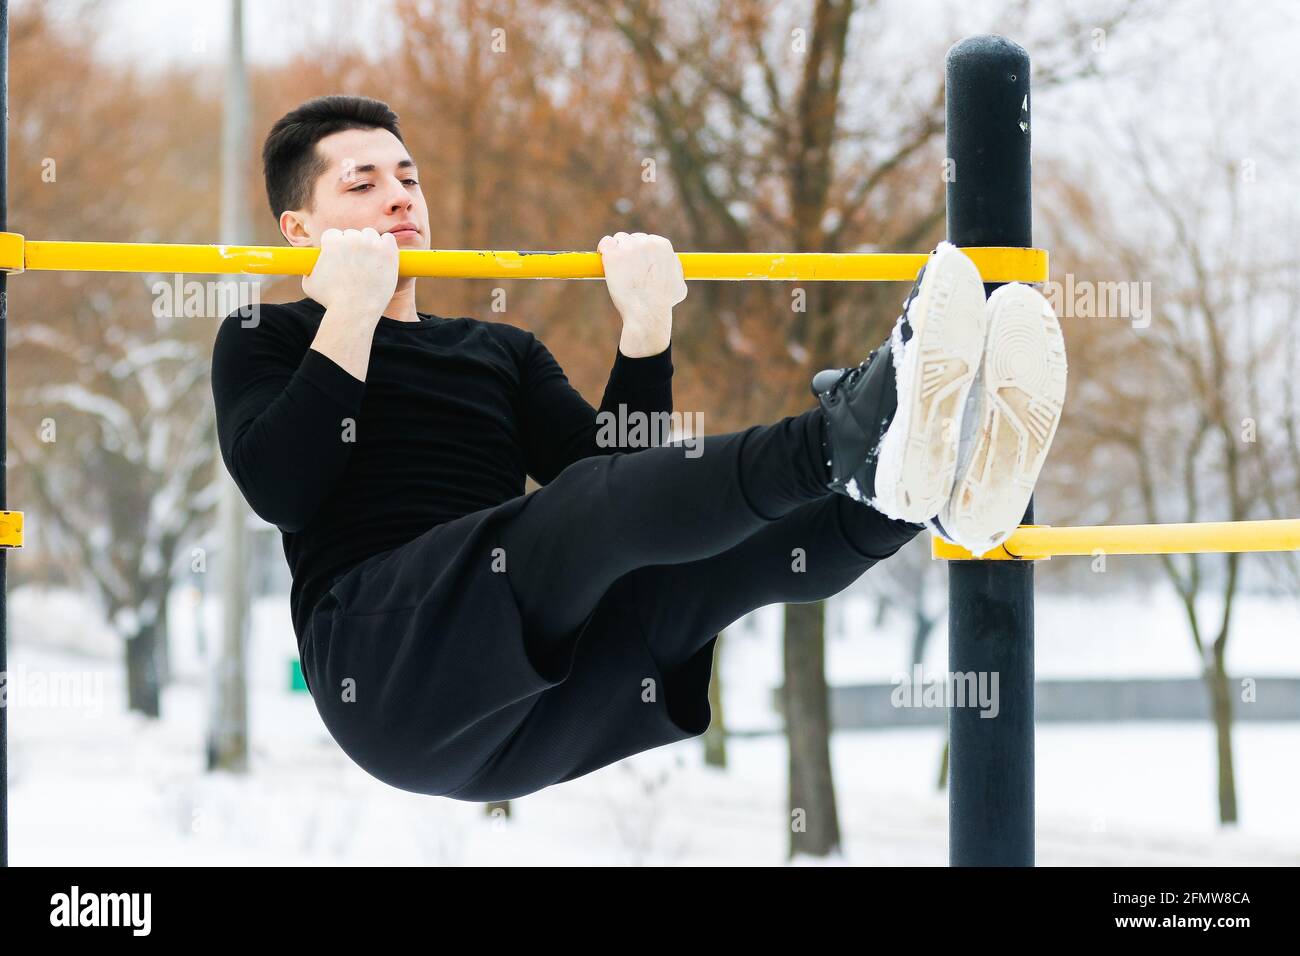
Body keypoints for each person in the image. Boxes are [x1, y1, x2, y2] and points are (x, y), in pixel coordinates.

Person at [211, 94, 1067, 802]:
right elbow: (284, 488)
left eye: (408, 177)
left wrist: (647, 331)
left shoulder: (497, 351)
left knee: (704, 568)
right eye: (362, 185)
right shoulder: (265, 336)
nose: (400, 198)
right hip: (388, 673)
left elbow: (619, 483)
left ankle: (917, 491)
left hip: (528, 706)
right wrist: (349, 314)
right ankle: (846, 439)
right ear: (298, 228)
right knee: (576, 517)